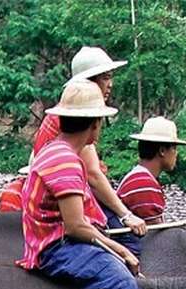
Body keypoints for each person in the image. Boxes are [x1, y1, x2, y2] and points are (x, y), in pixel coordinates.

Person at [19, 79, 169, 289]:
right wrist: (120, 250)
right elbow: (75, 227)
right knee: (119, 282)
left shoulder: (53, 151)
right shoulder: (67, 162)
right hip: (55, 247)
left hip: (52, 238)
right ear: (95, 124)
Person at [33, 46, 147, 242]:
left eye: (110, 77)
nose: (110, 84)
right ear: (89, 83)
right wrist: (126, 215)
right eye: (105, 78)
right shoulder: (76, 118)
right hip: (68, 198)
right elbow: (93, 176)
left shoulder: (57, 115)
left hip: (67, 190)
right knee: (130, 241)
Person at [116, 116, 186, 223]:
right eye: (174, 148)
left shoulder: (138, 178)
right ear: (162, 150)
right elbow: (155, 235)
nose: (176, 154)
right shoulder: (144, 184)